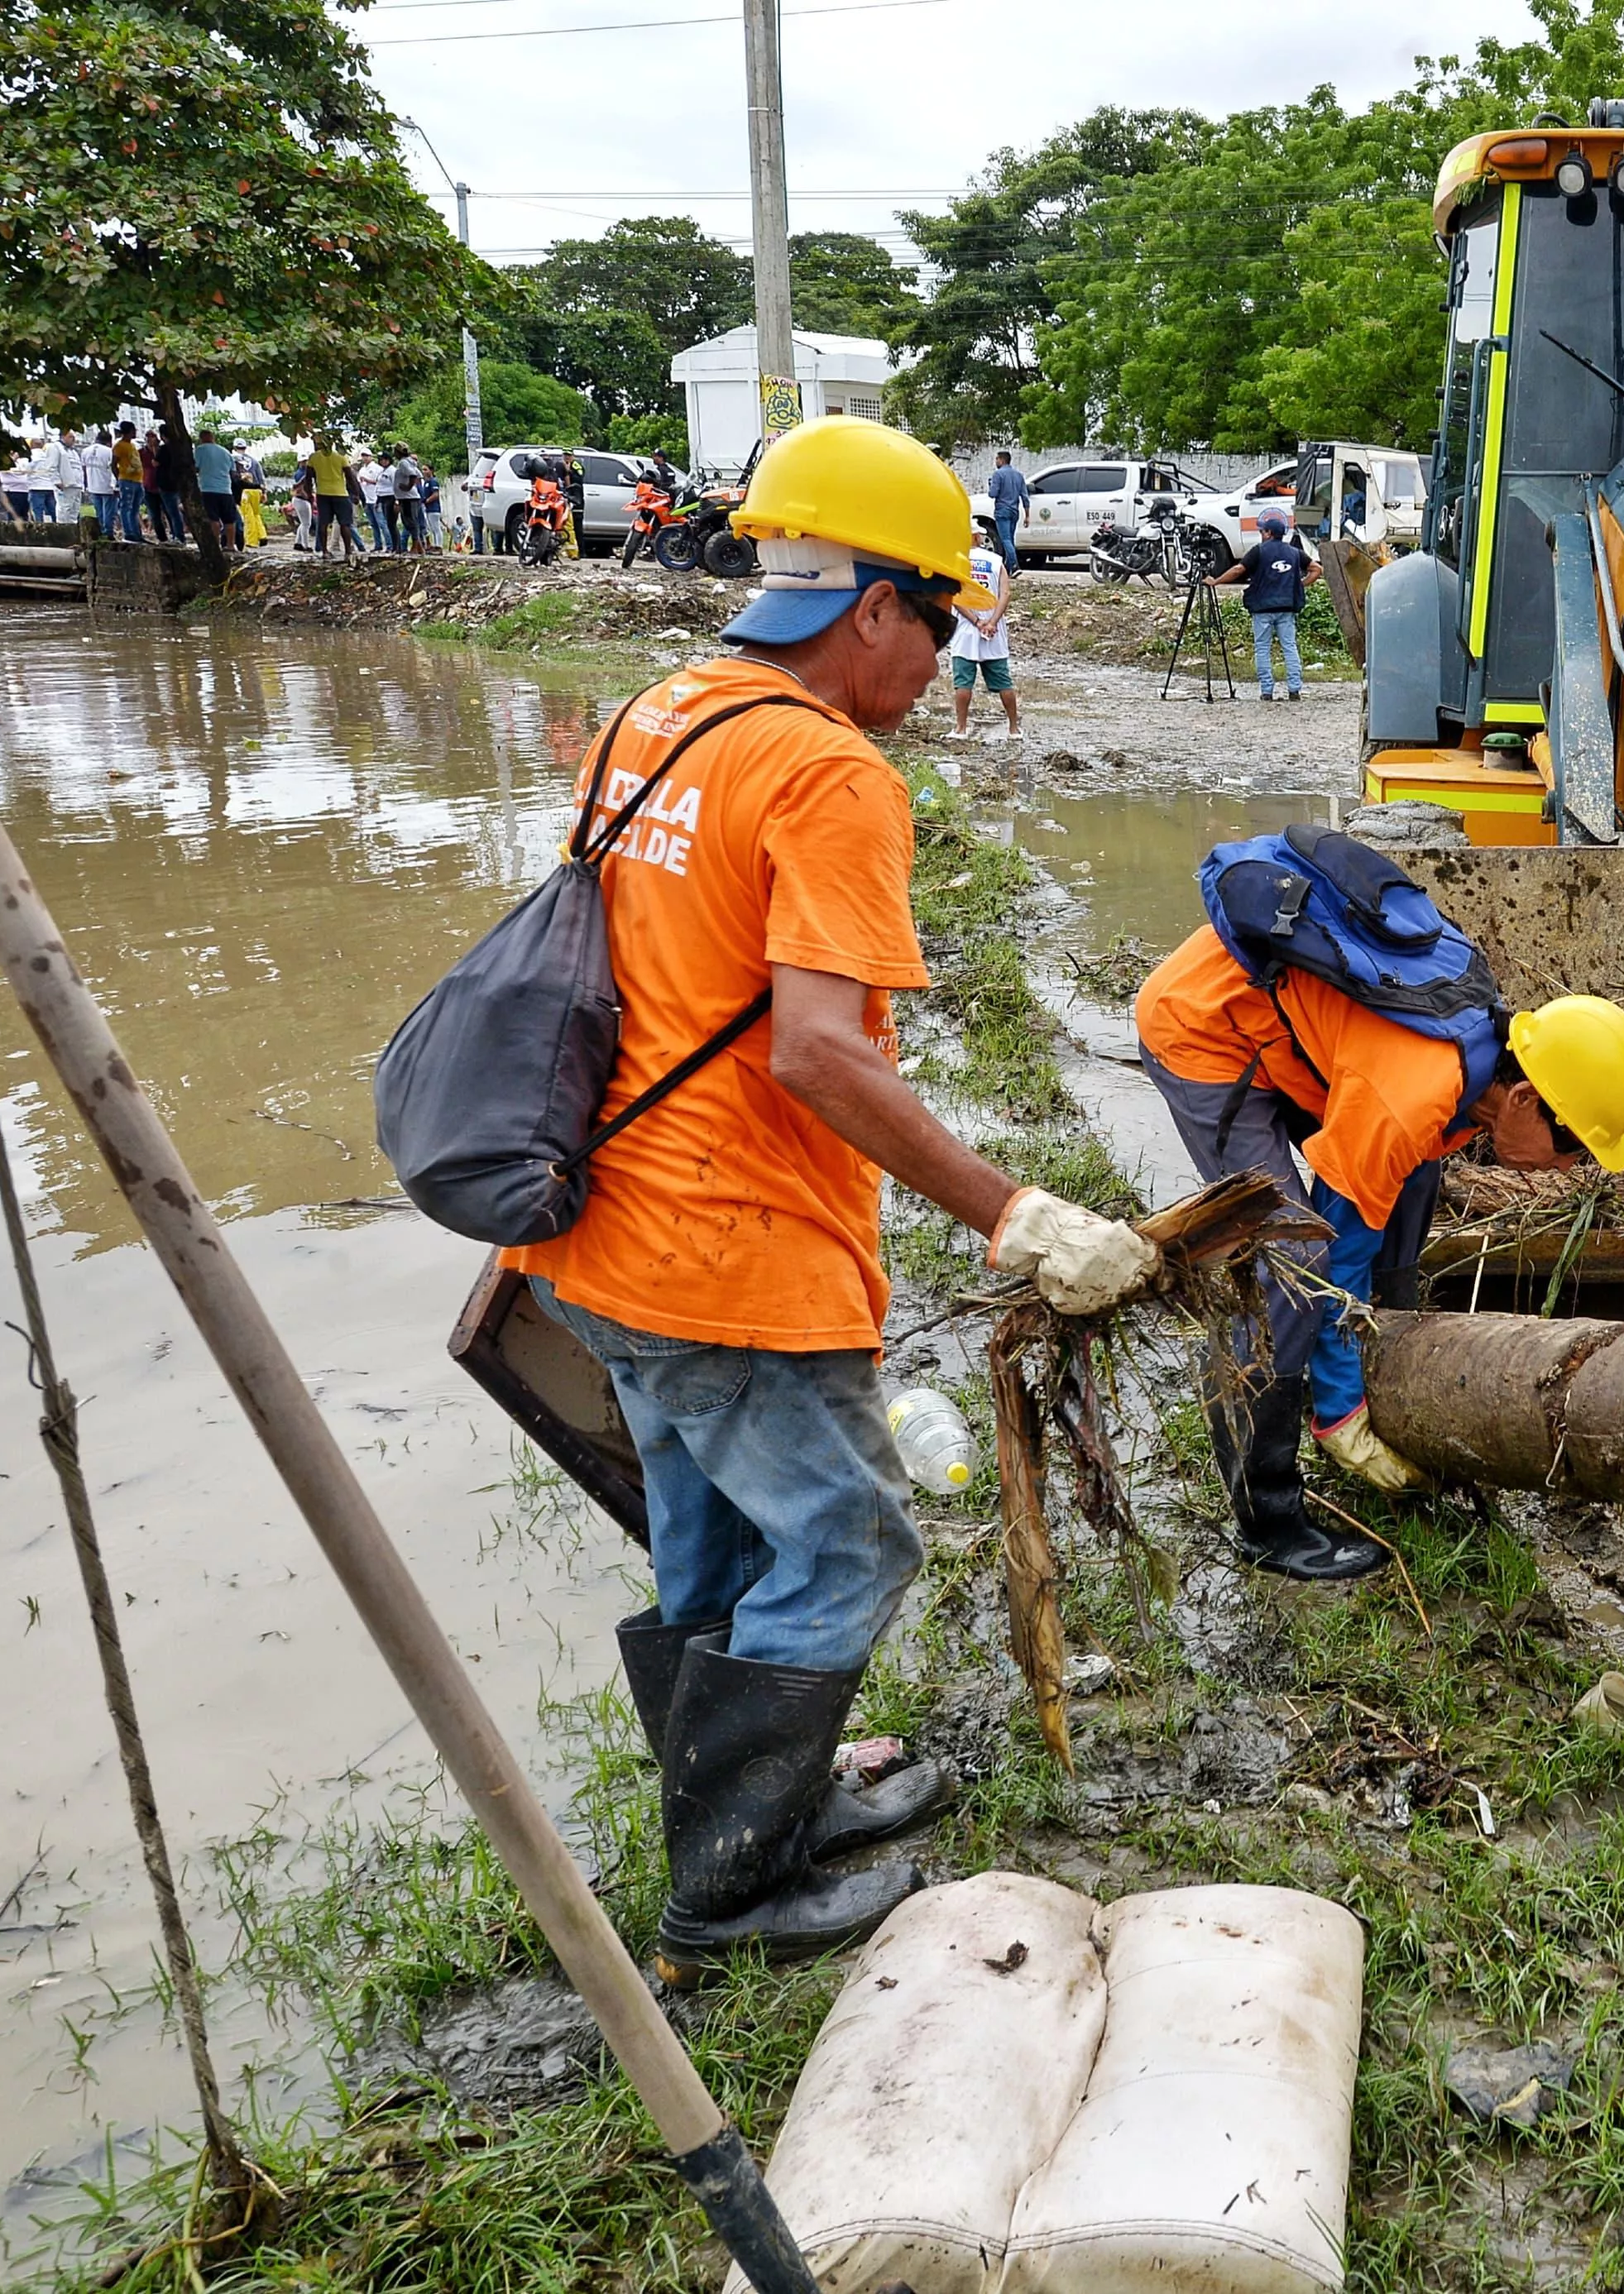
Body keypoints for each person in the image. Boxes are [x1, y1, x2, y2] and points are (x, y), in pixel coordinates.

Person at [505, 414, 1160, 1980]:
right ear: (869, 601)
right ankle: (729, 1888)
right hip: (732, 1248)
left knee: (713, 1549)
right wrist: (1014, 1211)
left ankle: (759, 1812)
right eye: (935, 619)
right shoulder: (828, 772)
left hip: (599, 1230)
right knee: (855, 1545)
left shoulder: (655, 715)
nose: (940, 656)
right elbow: (814, 1052)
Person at [1133, 878, 1624, 1581]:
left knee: (1412, 1179)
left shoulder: (1477, 1059)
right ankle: (1267, 1513)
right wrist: (1340, 1411)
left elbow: (1385, 1175)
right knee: (1287, 1256)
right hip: (1206, 1028)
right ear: (1528, 1098)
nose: (1564, 1169)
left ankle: (1383, 1358)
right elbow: (1336, 1248)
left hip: (1289, 1032)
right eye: (1571, 1148)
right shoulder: (1415, 1091)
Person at [1214, 510, 1314, 702]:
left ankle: (1266, 691)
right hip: (1286, 609)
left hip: (1262, 609)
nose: (1261, 535)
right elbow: (1316, 569)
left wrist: (1216, 581)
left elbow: (1238, 570)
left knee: (1262, 648)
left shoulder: (1258, 551)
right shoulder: (1294, 553)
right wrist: (1301, 584)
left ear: (1268, 533)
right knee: (1290, 647)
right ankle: (1294, 690)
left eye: (1262, 532)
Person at [943, 527, 1017, 735]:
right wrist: (992, 621)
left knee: (963, 682)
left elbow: (954, 597)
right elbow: (1006, 593)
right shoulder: (995, 560)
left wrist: (977, 621)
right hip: (994, 632)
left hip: (965, 630)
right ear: (977, 536)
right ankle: (1014, 729)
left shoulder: (957, 561)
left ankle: (961, 728)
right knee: (1004, 681)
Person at [306, 434, 358, 557]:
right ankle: (348, 552)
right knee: (345, 524)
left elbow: (308, 479)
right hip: (340, 494)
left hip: (322, 494)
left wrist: (309, 494)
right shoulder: (341, 457)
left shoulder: (313, 458)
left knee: (323, 523)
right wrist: (356, 493)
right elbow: (350, 478)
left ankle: (324, 551)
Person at [193, 431, 240, 550]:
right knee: (229, 520)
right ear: (213, 438)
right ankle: (230, 545)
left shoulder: (200, 450)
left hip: (208, 489)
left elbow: (195, 467)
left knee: (213, 519)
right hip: (226, 489)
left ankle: (215, 546)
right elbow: (233, 472)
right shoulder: (225, 452)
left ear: (201, 438)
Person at [984, 450, 1029, 569]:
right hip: (1014, 511)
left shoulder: (998, 474)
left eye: (997, 459)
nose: (996, 462)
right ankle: (1008, 568)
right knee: (1010, 539)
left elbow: (993, 494)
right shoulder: (1019, 475)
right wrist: (1027, 515)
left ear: (1002, 460)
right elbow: (1025, 496)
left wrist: (990, 484)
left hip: (1002, 510)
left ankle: (1014, 566)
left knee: (1005, 539)